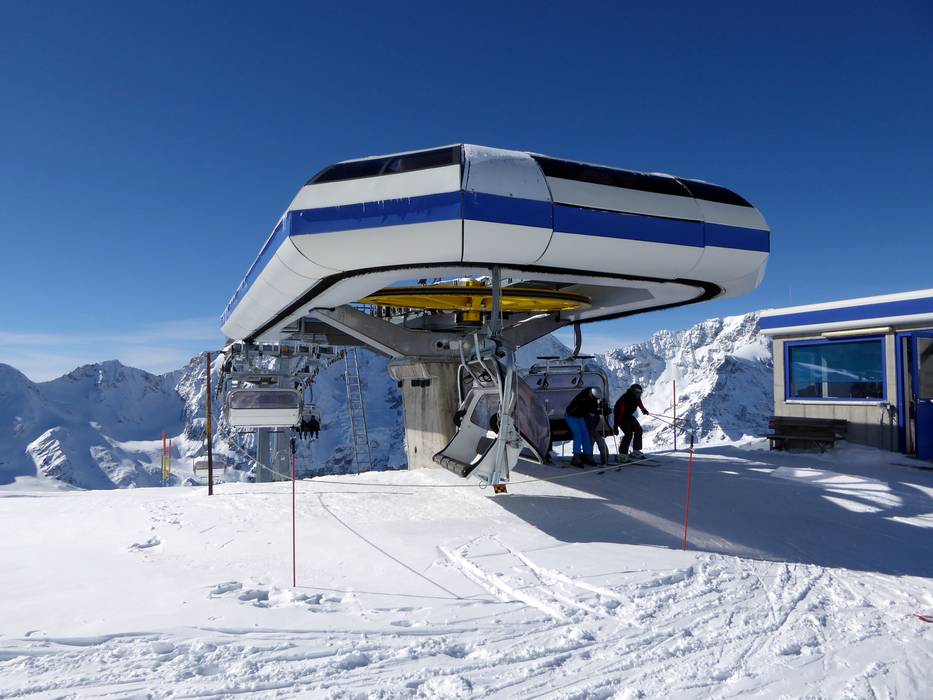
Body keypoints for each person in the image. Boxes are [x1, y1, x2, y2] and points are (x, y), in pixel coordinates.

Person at [565, 386, 601, 467]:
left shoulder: (592, 398)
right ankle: (576, 456)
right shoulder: (582, 399)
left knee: (585, 434)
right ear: (591, 394)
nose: (595, 400)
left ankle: (587, 455)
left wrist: (600, 409)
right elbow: (588, 411)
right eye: (594, 398)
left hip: (580, 416)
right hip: (571, 416)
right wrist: (594, 411)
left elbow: (592, 409)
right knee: (578, 434)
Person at [613, 383, 650, 462]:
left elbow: (639, 402)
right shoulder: (625, 399)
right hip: (621, 417)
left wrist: (643, 410)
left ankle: (636, 451)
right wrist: (615, 426)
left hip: (629, 415)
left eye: (640, 392)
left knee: (639, 430)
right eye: (638, 392)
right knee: (628, 434)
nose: (639, 394)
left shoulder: (636, 397)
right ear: (633, 391)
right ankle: (622, 454)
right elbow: (618, 413)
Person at [588, 398, 612, 465]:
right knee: (590, 442)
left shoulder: (601, 410)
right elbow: (591, 413)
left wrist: (605, 410)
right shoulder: (591, 406)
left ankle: (604, 458)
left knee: (601, 443)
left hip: (597, 429)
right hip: (590, 428)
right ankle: (589, 458)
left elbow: (607, 412)